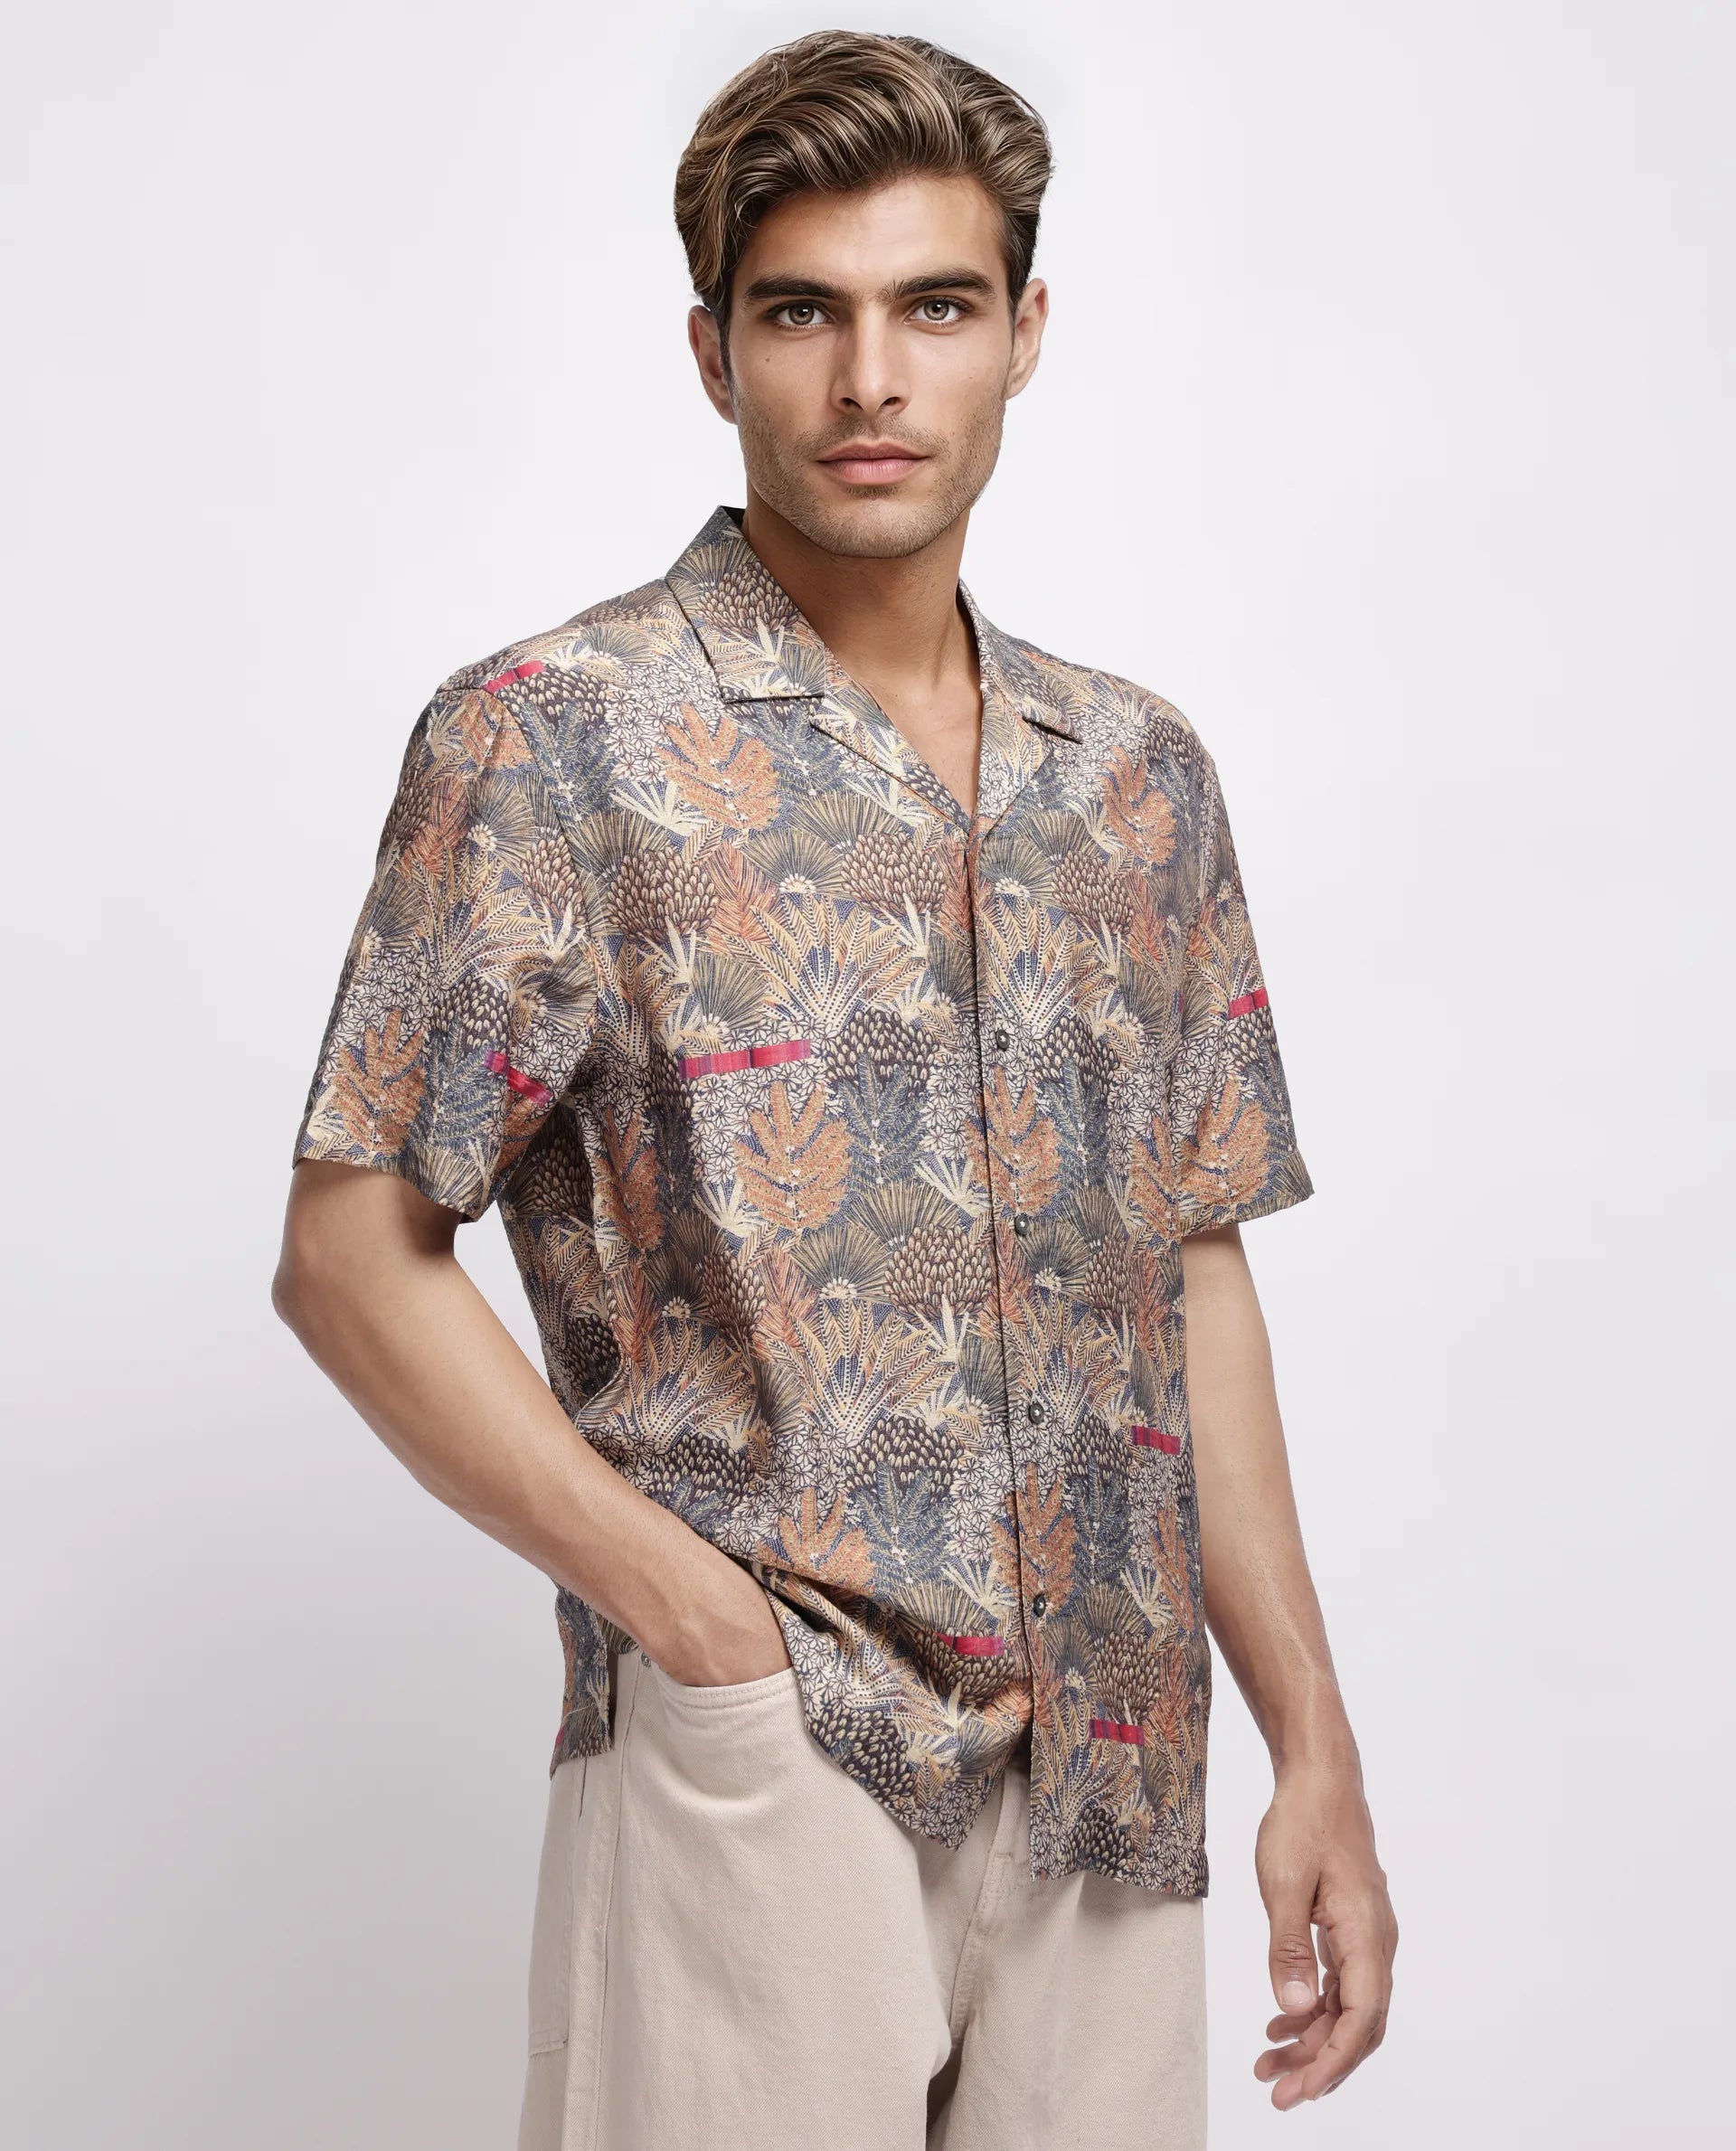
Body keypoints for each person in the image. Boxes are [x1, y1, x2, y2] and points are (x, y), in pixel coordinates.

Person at [271, 28, 1397, 2149]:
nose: (873, 379)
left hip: (1115, 1774)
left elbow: (1192, 1271)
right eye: (804, 313)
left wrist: (1310, 1739)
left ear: (1024, 332)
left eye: (934, 307)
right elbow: (349, 1256)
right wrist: (694, 1625)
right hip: (765, 1754)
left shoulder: (1138, 779)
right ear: (714, 350)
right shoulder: (553, 737)